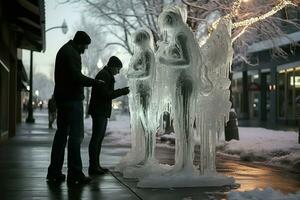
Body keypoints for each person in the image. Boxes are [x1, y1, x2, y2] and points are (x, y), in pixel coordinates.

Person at [47, 31, 105, 185]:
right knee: (76, 136)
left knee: (61, 135)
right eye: (85, 46)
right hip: (72, 100)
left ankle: (54, 171)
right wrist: (95, 82)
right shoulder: (71, 53)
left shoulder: (64, 50)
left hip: (62, 99)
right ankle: (75, 173)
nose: (85, 49)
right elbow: (76, 77)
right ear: (80, 43)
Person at [88, 56, 129, 175]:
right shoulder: (104, 75)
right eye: (118, 69)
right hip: (99, 111)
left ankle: (96, 165)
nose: (118, 72)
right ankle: (93, 166)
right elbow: (105, 95)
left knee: (99, 139)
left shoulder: (106, 75)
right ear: (112, 66)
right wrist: (122, 91)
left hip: (101, 111)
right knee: (96, 139)